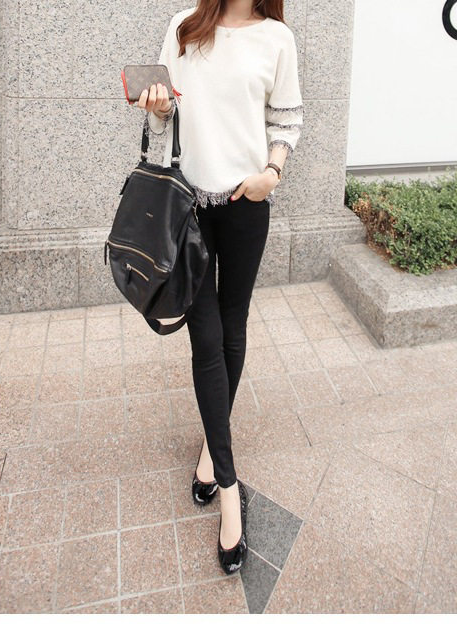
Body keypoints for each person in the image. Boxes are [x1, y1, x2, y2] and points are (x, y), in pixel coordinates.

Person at [135, 0, 303, 574]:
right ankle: (230, 493)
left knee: (233, 330)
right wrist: (158, 107)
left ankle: (212, 446)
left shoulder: (277, 38)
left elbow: (286, 119)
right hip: (188, 208)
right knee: (204, 340)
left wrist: (270, 174)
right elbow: (162, 121)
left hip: (247, 204)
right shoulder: (185, 27)